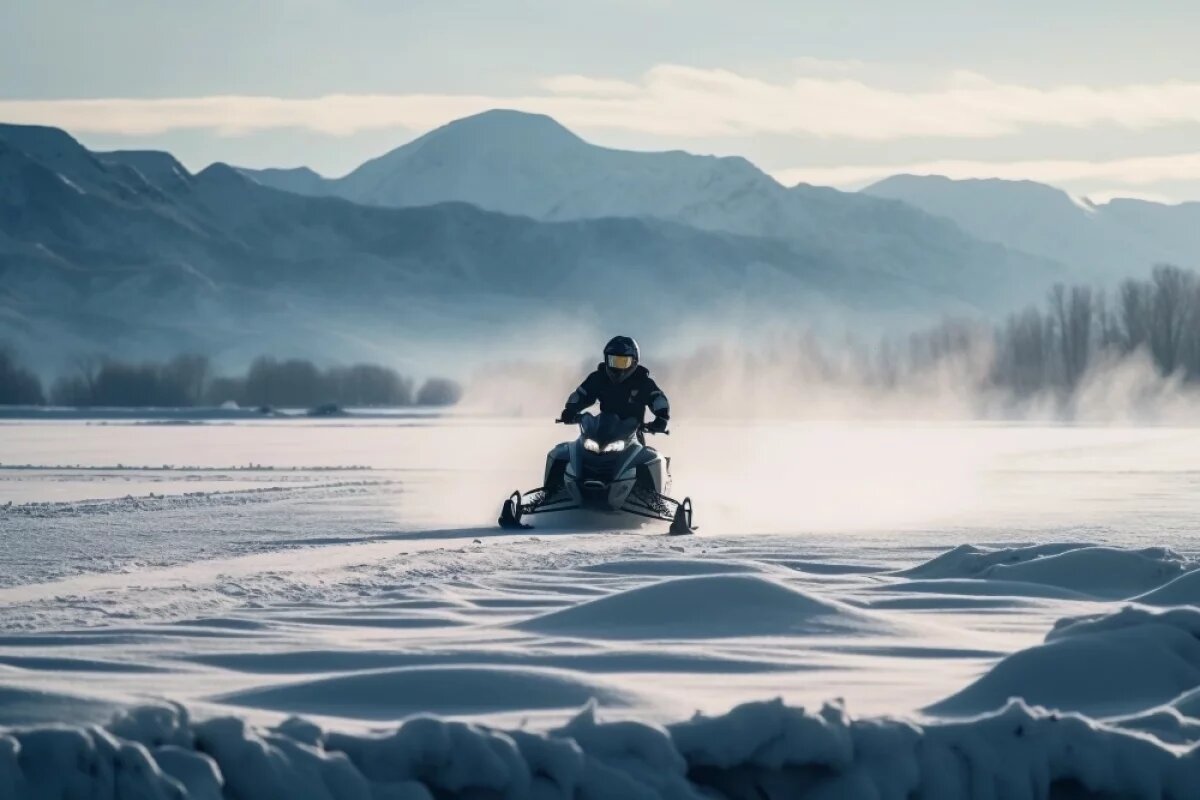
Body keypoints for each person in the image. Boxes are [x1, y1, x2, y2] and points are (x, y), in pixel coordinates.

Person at [559, 336, 670, 433]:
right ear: (606, 360)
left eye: (623, 362)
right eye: (613, 361)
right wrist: (570, 410)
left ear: (634, 361)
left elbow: (657, 398)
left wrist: (662, 418)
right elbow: (582, 394)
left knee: (649, 456)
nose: (617, 368)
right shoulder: (599, 378)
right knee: (566, 452)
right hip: (601, 433)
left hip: (633, 436)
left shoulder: (642, 381)